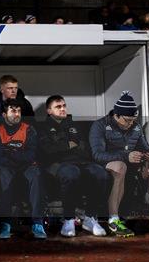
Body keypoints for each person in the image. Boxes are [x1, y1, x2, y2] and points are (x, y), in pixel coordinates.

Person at [89, 91, 149, 238]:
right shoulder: (100, 125)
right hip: (105, 164)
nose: (131, 123)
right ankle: (114, 220)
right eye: (127, 120)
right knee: (121, 166)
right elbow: (97, 155)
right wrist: (126, 155)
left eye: (133, 120)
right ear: (117, 115)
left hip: (129, 162)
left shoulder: (135, 126)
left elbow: (144, 148)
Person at [39, 95, 108, 237]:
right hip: (57, 164)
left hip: (82, 161)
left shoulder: (74, 126)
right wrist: (68, 145)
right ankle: (69, 219)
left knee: (100, 173)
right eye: (58, 107)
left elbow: (84, 147)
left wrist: (63, 147)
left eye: (64, 106)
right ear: (49, 110)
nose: (62, 109)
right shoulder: (43, 127)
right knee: (71, 173)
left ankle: (90, 218)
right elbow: (47, 150)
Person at [0, 99, 47, 239]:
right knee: (3, 174)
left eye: (18, 111)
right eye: (13, 111)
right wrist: (16, 155)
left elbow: (31, 155)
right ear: (4, 114)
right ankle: (5, 223)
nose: (17, 114)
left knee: (36, 174)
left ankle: (38, 223)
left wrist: (10, 153)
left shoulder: (29, 129)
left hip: (26, 165)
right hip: (8, 166)